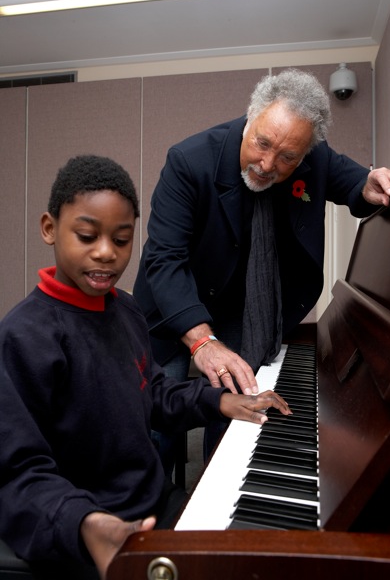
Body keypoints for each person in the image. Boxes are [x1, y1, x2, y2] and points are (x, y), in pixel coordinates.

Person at [0, 155, 291, 580]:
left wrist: (220, 401)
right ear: (49, 228)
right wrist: (84, 522)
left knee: (249, 555)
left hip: (153, 500)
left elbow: (151, 391)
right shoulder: (24, 336)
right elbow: (17, 471)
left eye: (121, 240)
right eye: (87, 236)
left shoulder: (127, 310)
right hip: (83, 525)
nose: (106, 253)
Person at [133, 68, 390, 471]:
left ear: (304, 152)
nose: (267, 164)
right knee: (160, 423)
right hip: (171, 304)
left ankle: (215, 482)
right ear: (251, 117)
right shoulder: (189, 161)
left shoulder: (314, 157)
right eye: (262, 144)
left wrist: (371, 183)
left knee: (234, 407)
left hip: (238, 308)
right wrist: (202, 341)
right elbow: (164, 260)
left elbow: (354, 184)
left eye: (287, 158)